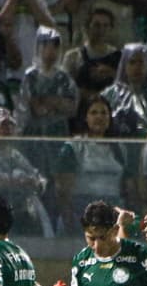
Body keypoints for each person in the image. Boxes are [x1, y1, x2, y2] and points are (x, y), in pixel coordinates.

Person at [0, 107, 54, 237]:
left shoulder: (15, 155)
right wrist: (22, 182)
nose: (9, 129)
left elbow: (37, 178)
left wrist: (37, 182)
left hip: (20, 216)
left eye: (10, 125)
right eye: (3, 125)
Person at [54, 95, 133, 233]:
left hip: (113, 214)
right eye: (94, 112)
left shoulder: (120, 149)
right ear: (86, 117)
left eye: (104, 113)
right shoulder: (74, 147)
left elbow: (128, 188)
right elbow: (63, 190)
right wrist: (69, 219)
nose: (99, 117)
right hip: (81, 213)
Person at [101, 43, 147, 139]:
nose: (137, 67)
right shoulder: (110, 94)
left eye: (141, 62)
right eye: (132, 62)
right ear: (124, 65)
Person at [62, 8, 121, 104]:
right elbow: (65, 87)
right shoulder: (73, 56)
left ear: (111, 28)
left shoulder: (119, 56)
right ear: (87, 27)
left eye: (106, 25)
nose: (101, 30)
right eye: (96, 25)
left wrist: (111, 73)